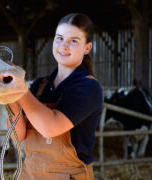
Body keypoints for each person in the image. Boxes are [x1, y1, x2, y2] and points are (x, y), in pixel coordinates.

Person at [8, 13, 103, 180]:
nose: (64, 46)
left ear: (87, 48)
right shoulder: (39, 85)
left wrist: (20, 87)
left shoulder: (88, 87)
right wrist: (10, 95)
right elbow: (18, 136)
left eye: (73, 41)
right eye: (59, 38)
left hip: (67, 175)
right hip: (29, 173)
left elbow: (50, 128)